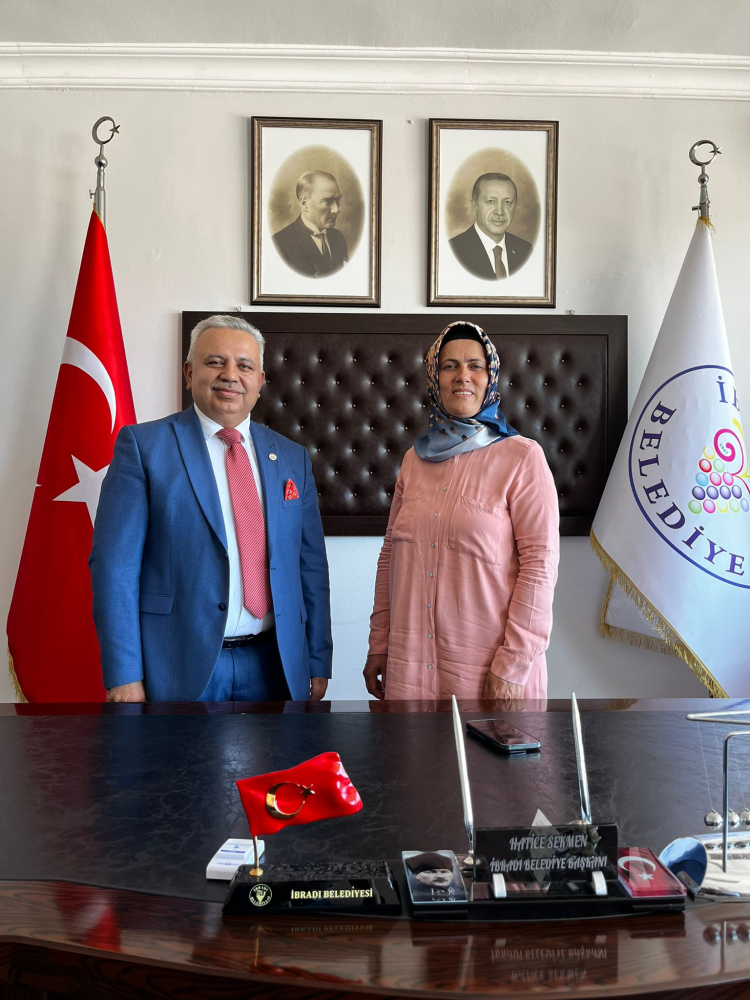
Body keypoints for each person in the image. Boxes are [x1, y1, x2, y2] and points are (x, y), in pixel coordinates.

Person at [90, 315, 332, 703]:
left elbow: (311, 567)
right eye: (215, 362)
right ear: (189, 373)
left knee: (279, 749)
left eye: (244, 366)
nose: (230, 375)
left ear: (260, 381)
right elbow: (114, 568)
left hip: (276, 664)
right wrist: (123, 675)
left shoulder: (291, 458)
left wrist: (318, 658)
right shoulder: (143, 447)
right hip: (176, 665)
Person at [364, 321, 559, 702]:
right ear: (433, 377)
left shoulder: (522, 457)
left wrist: (513, 665)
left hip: (488, 673)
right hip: (411, 669)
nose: (462, 376)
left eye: (475, 366)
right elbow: (390, 557)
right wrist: (380, 643)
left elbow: (540, 565)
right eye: (449, 366)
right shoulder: (413, 461)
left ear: (491, 377)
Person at [449, 173, 532, 280]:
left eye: (507, 202)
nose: (499, 212)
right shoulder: (453, 250)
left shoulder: (525, 250)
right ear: (475, 206)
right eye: (491, 201)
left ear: (515, 206)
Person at [272, 170, 348, 278]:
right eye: (327, 201)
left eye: (337, 200)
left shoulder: (338, 237)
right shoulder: (279, 244)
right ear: (304, 203)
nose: (336, 210)